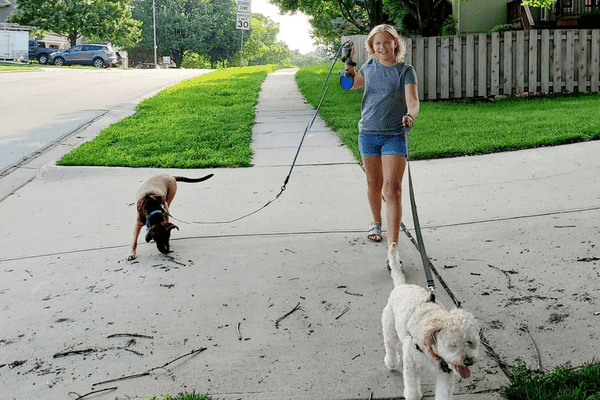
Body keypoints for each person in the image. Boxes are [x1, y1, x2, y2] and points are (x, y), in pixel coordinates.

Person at [345, 24, 420, 259]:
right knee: (373, 183)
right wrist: (348, 62)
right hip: (367, 133)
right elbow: (351, 84)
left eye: (386, 42)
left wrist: (410, 114)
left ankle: (394, 244)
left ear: (395, 43)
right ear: (372, 47)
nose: (381, 47)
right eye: (376, 43)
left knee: (393, 189)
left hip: (394, 135)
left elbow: (413, 101)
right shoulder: (369, 67)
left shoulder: (405, 71)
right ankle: (376, 222)